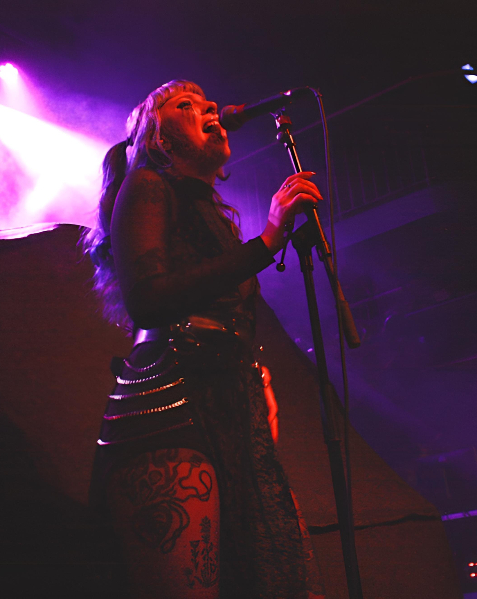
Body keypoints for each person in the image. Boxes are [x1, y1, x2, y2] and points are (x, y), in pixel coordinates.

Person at [83, 80, 323, 598]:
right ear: (160, 137)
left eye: (207, 101)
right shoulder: (148, 184)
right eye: (185, 104)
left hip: (227, 400)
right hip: (171, 400)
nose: (210, 106)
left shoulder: (211, 211)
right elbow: (149, 298)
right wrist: (267, 239)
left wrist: (252, 370)